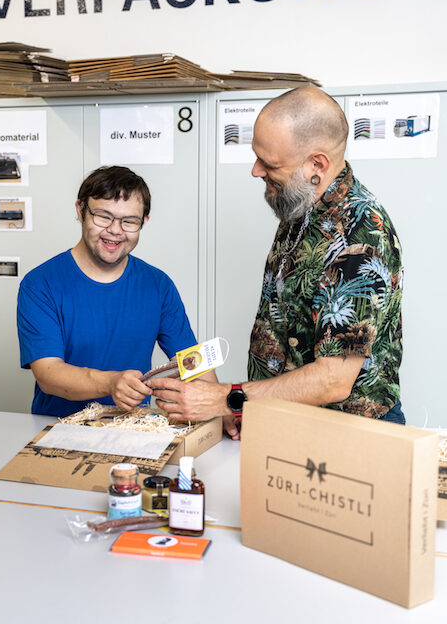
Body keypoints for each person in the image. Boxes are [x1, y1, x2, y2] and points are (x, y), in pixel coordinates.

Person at [148, 87, 404, 438]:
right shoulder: (301, 205)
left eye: (269, 164)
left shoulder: (358, 238)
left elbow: (332, 379)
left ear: (317, 165)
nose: (256, 171)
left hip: (348, 439)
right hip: (288, 424)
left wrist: (228, 398)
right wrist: (245, 405)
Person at [17, 165, 202, 417]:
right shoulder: (40, 284)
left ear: (144, 222)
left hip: (132, 428)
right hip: (57, 427)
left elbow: (192, 362)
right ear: (80, 210)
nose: (115, 230)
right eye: (103, 216)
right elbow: (48, 374)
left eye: (129, 221)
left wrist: (221, 406)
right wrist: (110, 383)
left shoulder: (158, 284)